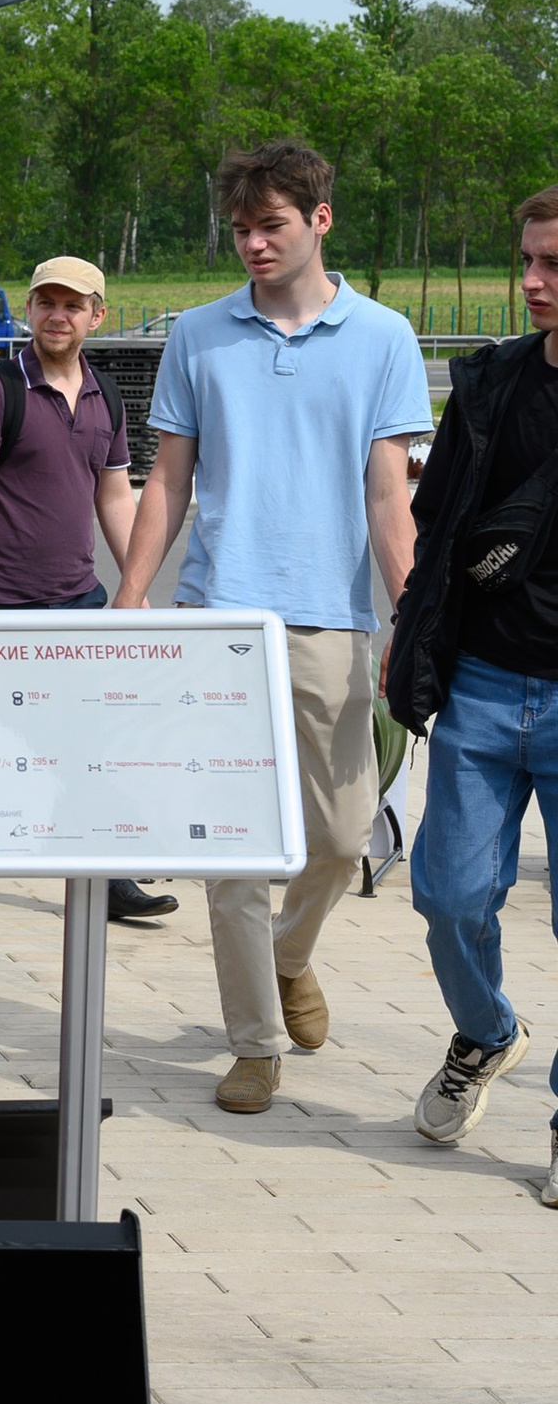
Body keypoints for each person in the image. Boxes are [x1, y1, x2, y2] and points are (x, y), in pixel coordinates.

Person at [115, 143, 429, 1114]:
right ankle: (252, 1041)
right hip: (217, 614)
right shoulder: (199, 337)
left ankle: (291, 957)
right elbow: (167, 478)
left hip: (330, 618)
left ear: (320, 219)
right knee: (232, 847)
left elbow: (388, 491)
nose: (252, 243)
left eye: (272, 226)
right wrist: (131, 594)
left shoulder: (383, 337)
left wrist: (409, 613)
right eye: (241, 229)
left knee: (340, 835)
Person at [386, 182, 558, 1204]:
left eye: (555, 267)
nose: (534, 283)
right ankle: (485, 1030)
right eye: (528, 262)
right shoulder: (491, 386)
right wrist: (408, 636)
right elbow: (440, 515)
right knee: (447, 897)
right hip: (487, 686)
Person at [0, 252, 174, 930]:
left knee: (99, 731)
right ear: (31, 310)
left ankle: (102, 870)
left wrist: (136, 586)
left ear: (97, 315)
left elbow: (115, 499)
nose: (57, 315)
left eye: (73, 305)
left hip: (78, 597)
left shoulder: (107, 397)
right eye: (46, 302)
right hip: (1, 599)